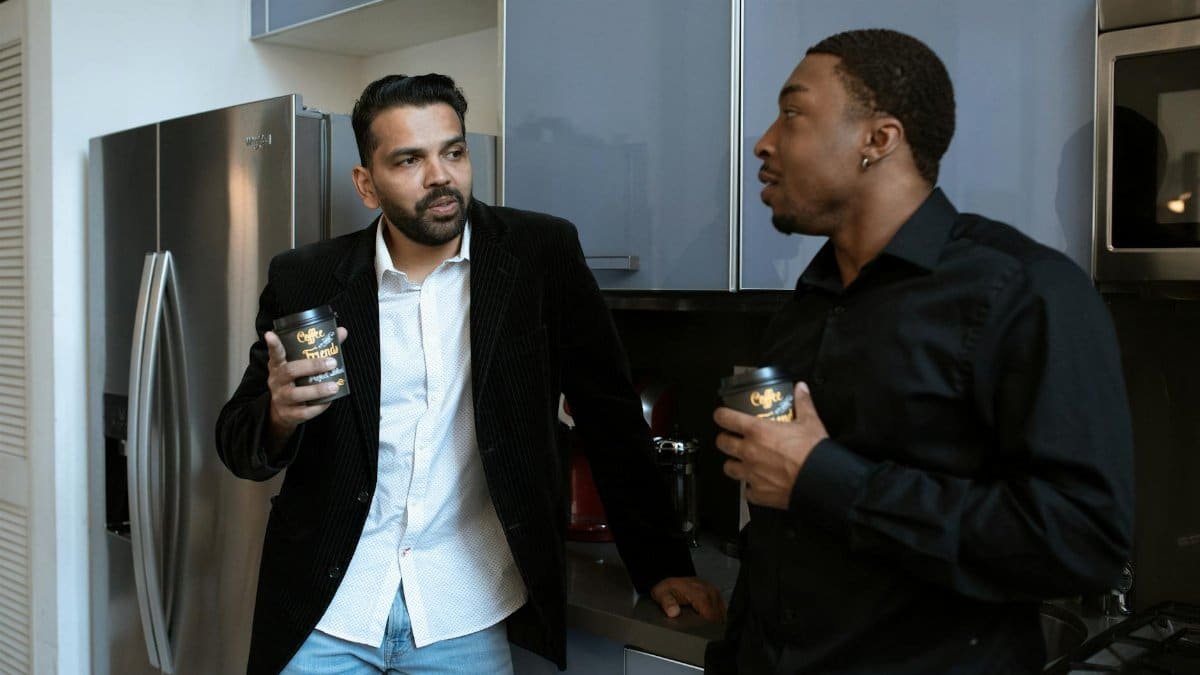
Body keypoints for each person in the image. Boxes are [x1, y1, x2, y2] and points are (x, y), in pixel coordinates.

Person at [215, 73, 724, 675]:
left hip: (463, 612)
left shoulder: (539, 253)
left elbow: (609, 413)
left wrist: (662, 564)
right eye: (409, 160)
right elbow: (239, 444)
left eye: (453, 152)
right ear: (366, 184)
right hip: (328, 611)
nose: (440, 176)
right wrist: (277, 416)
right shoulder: (307, 277)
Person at [708, 29, 1133, 674]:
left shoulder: (1026, 291)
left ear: (879, 140)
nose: (763, 142)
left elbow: (1084, 541)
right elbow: (772, 523)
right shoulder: (806, 303)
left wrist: (824, 477)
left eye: (792, 113)